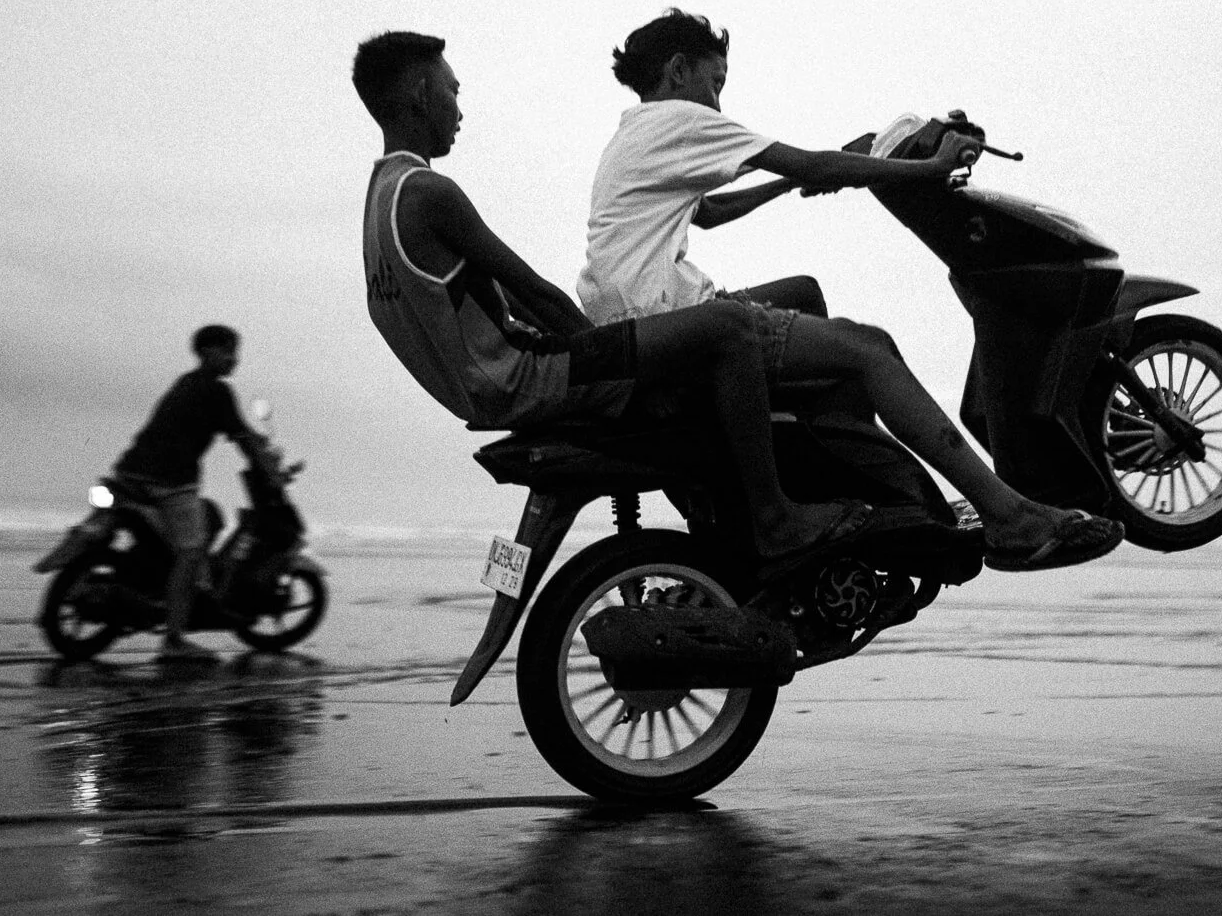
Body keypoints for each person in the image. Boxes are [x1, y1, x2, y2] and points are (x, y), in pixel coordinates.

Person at [578, 9, 1123, 572]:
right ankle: (1009, 516)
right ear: (677, 69)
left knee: (803, 293)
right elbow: (817, 163)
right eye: (714, 82)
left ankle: (851, 483)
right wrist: (931, 167)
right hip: (673, 323)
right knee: (871, 349)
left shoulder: (635, 132)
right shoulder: (680, 119)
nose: (717, 101)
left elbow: (709, 212)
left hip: (637, 326)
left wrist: (787, 184)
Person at [351, 30, 870, 561]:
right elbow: (538, 295)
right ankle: (776, 517)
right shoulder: (429, 193)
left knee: (776, 304)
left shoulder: (380, 201)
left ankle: (736, 507)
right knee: (729, 327)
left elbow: (515, 299)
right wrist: (625, 369)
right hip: (529, 377)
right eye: (452, 91)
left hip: (491, 391)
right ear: (420, 93)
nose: (459, 110)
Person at [112, 324, 281, 662]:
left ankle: (158, 589)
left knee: (207, 517)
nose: (233, 359)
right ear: (206, 351)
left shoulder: (186, 383)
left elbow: (239, 431)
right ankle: (173, 639)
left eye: (235, 352)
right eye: (227, 351)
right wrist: (268, 469)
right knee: (191, 551)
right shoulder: (217, 390)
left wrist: (254, 442)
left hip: (129, 472)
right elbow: (242, 437)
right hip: (169, 480)